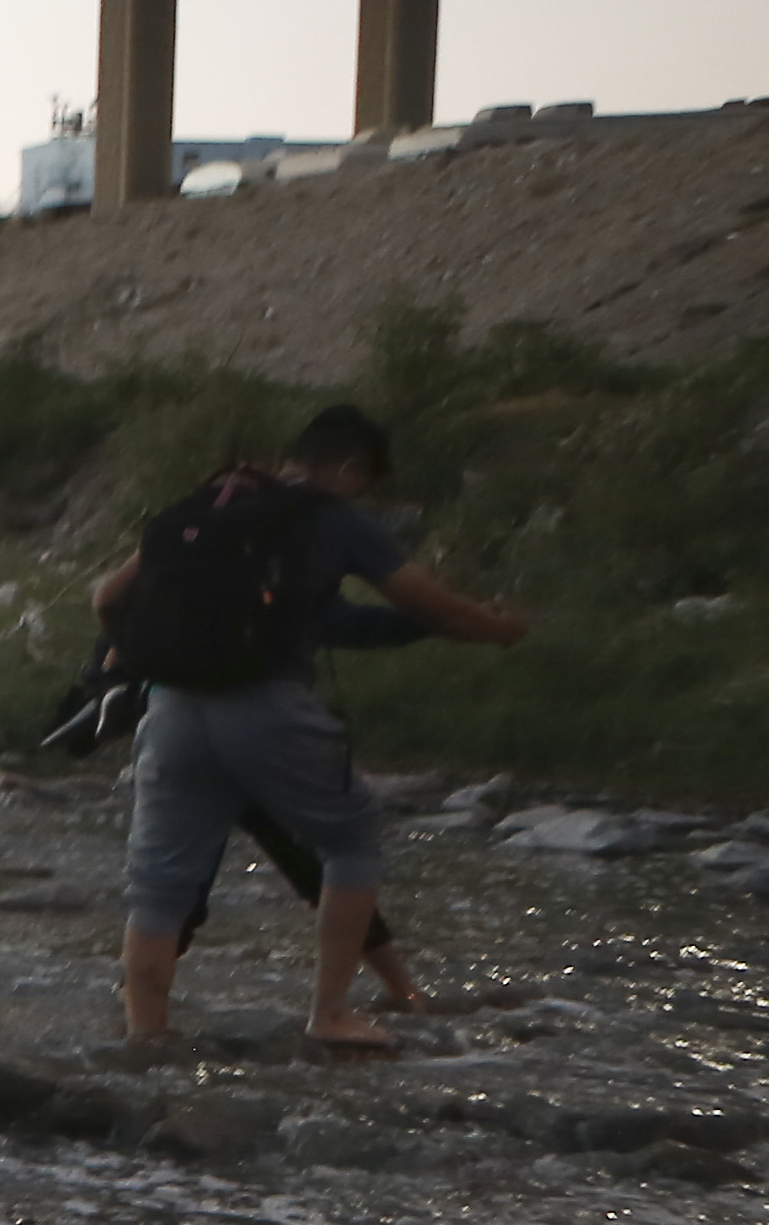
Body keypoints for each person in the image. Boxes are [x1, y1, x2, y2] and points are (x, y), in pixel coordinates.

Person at [95, 403, 524, 1053]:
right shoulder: (331, 519)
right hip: (265, 708)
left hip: (171, 709)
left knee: (157, 883)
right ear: (349, 469)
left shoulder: (213, 505)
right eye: (367, 484)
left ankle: (144, 1036)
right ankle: (329, 1013)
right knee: (350, 837)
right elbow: (428, 601)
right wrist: (495, 628)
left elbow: (105, 597)